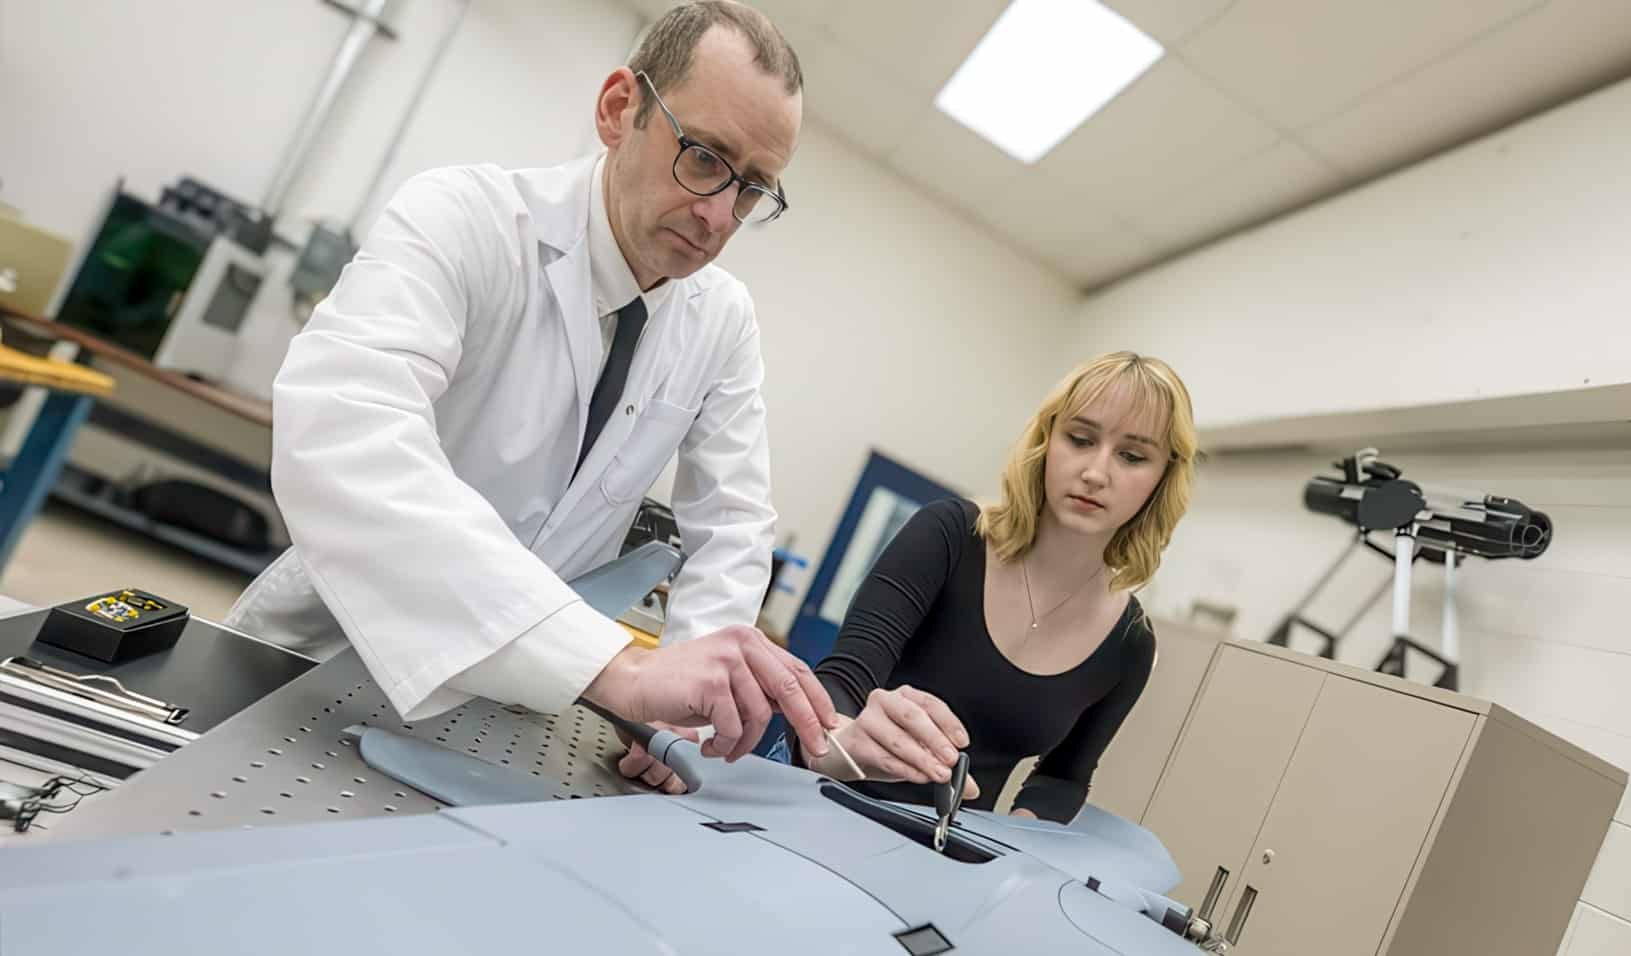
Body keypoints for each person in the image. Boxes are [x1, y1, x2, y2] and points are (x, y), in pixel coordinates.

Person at [226, 1, 838, 766]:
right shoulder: (466, 217)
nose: (718, 215)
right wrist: (617, 668)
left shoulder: (721, 321)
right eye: (705, 158)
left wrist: (686, 714)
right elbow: (345, 435)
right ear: (620, 110)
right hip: (318, 662)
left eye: (752, 189)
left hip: (508, 710)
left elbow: (734, 526)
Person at [795, 352, 1198, 821]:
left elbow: (1063, 776)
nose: (1096, 472)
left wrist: (1020, 844)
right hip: (828, 816)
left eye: (1131, 456)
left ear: (1162, 478)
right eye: (1080, 439)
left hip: (954, 865)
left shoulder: (1130, 643)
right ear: (1047, 441)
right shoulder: (948, 536)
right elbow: (844, 679)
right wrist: (836, 746)